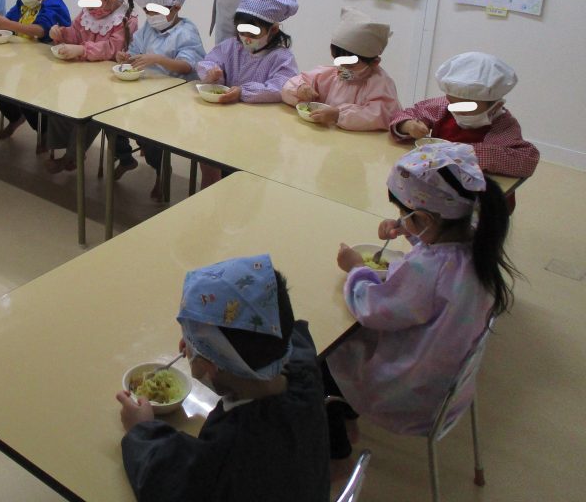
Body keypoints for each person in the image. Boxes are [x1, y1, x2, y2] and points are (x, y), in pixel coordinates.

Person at [324, 142, 518, 471]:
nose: (401, 219)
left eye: (405, 214)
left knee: (325, 356)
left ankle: (337, 447)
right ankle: (347, 413)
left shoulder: (428, 271)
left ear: (426, 218)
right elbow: (436, 249)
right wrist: (409, 231)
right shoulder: (477, 245)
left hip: (409, 392)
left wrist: (355, 269)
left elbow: (372, 309)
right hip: (448, 385)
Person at [116, 255, 330, 501]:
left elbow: (168, 480)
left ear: (211, 366)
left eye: (191, 344)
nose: (184, 346)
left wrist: (142, 430)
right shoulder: (303, 368)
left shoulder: (232, 449)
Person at [196, 0, 299, 187]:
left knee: (245, 178)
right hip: (225, 125)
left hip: (259, 130)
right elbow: (209, 61)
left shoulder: (281, 58)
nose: (246, 38)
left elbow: (281, 86)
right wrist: (211, 72)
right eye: (241, 31)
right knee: (211, 158)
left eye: (253, 32)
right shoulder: (231, 46)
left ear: (273, 30)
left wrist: (243, 91)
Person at [114, 0, 206, 199]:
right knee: (114, 119)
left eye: (157, 10)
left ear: (176, 7)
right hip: (145, 92)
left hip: (175, 98)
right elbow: (136, 52)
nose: (152, 16)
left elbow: (187, 65)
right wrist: (126, 57)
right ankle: (126, 156)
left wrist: (157, 59)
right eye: (148, 11)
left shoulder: (186, 31)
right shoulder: (149, 28)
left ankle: (161, 170)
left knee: (153, 135)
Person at [45, 0, 137, 174]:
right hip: (85, 78)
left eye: (91, 2)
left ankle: (72, 156)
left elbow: (112, 49)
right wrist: (61, 33)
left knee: (90, 115)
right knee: (57, 103)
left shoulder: (126, 20)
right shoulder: (88, 13)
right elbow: (76, 33)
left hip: (111, 85)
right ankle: (64, 148)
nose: (87, 7)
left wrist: (81, 50)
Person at [389, 52, 540, 179]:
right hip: (438, 181)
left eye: (467, 107)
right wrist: (407, 125)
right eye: (452, 102)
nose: (456, 110)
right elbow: (406, 113)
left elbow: (527, 160)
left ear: (496, 105)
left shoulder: (502, 125)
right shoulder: (444, 106)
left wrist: (466, 153)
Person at [0, 0, 71, 142]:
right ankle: (16, 117)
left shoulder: (54, 4)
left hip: (49, 66)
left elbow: (40, 30)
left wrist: (7, 25)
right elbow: (10, 18)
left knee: (34, 100)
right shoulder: (24, 2)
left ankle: (45, 134)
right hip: (25, 60)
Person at [281, 6, 401, 130]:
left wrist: (339, 115)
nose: (342, 68)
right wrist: (300, 88)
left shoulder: (380, 84)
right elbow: (289, 85)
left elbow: (382, 115)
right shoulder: (329, 75)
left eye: (350, 64)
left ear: (375, 62)